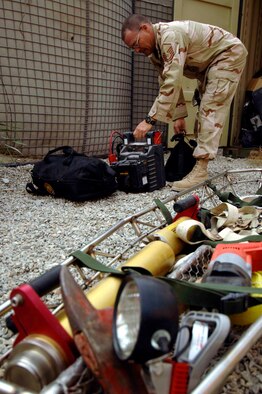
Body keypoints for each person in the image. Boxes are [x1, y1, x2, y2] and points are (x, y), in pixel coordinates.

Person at [121, 14, 248, 191]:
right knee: (204, 110)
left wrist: (149, 120)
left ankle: (201, 171)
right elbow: (168, 80)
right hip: (208, 64)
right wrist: (178, 117)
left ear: (145, 28)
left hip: (227, 54)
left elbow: (173, 81)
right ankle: (198, 162)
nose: (136, 50)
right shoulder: (154, 52)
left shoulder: (170, 36)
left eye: (135, 43)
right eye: (131, 48)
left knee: (210, 109)